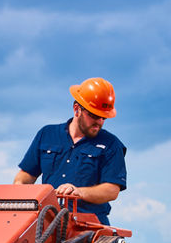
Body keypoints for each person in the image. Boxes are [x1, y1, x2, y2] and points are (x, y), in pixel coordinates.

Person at [14, 77, 126, 225]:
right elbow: (23, 179)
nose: (99, 122)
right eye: (94, 115)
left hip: (90, 226)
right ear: (76, 109)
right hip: (47, 222)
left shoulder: (111, 145)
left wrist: (78, 192)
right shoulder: (47, 134)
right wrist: (22, 199)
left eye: (103, 117)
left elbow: (112, 190)